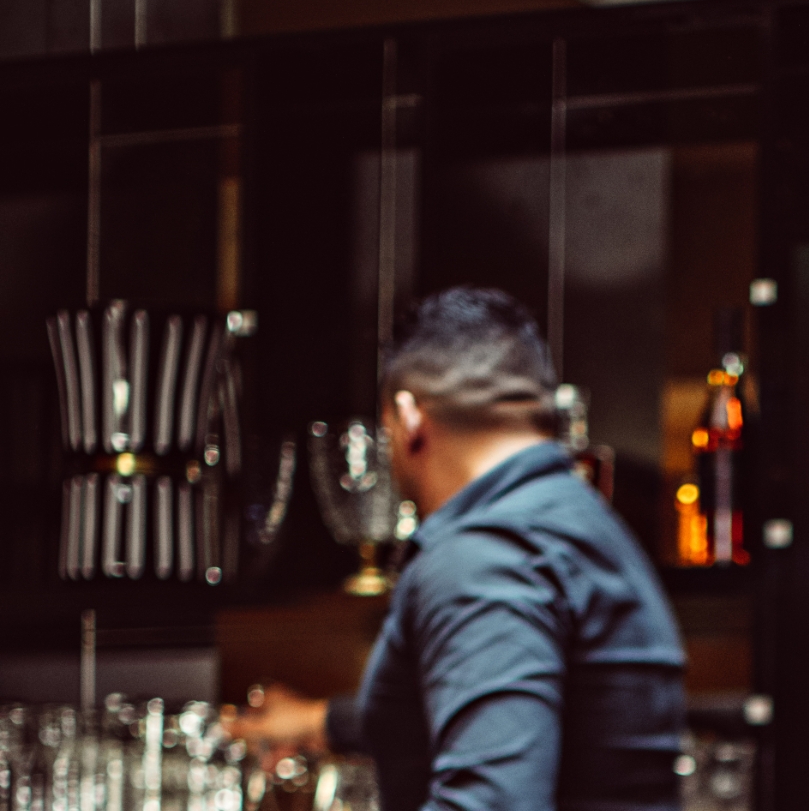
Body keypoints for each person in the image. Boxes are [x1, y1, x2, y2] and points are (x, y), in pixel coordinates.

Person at [232, 287, 687, 811]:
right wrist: (321, 722)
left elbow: (493, 800)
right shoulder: (587, 527)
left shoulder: (483, 555)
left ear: (408, 417)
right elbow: (513, 702)